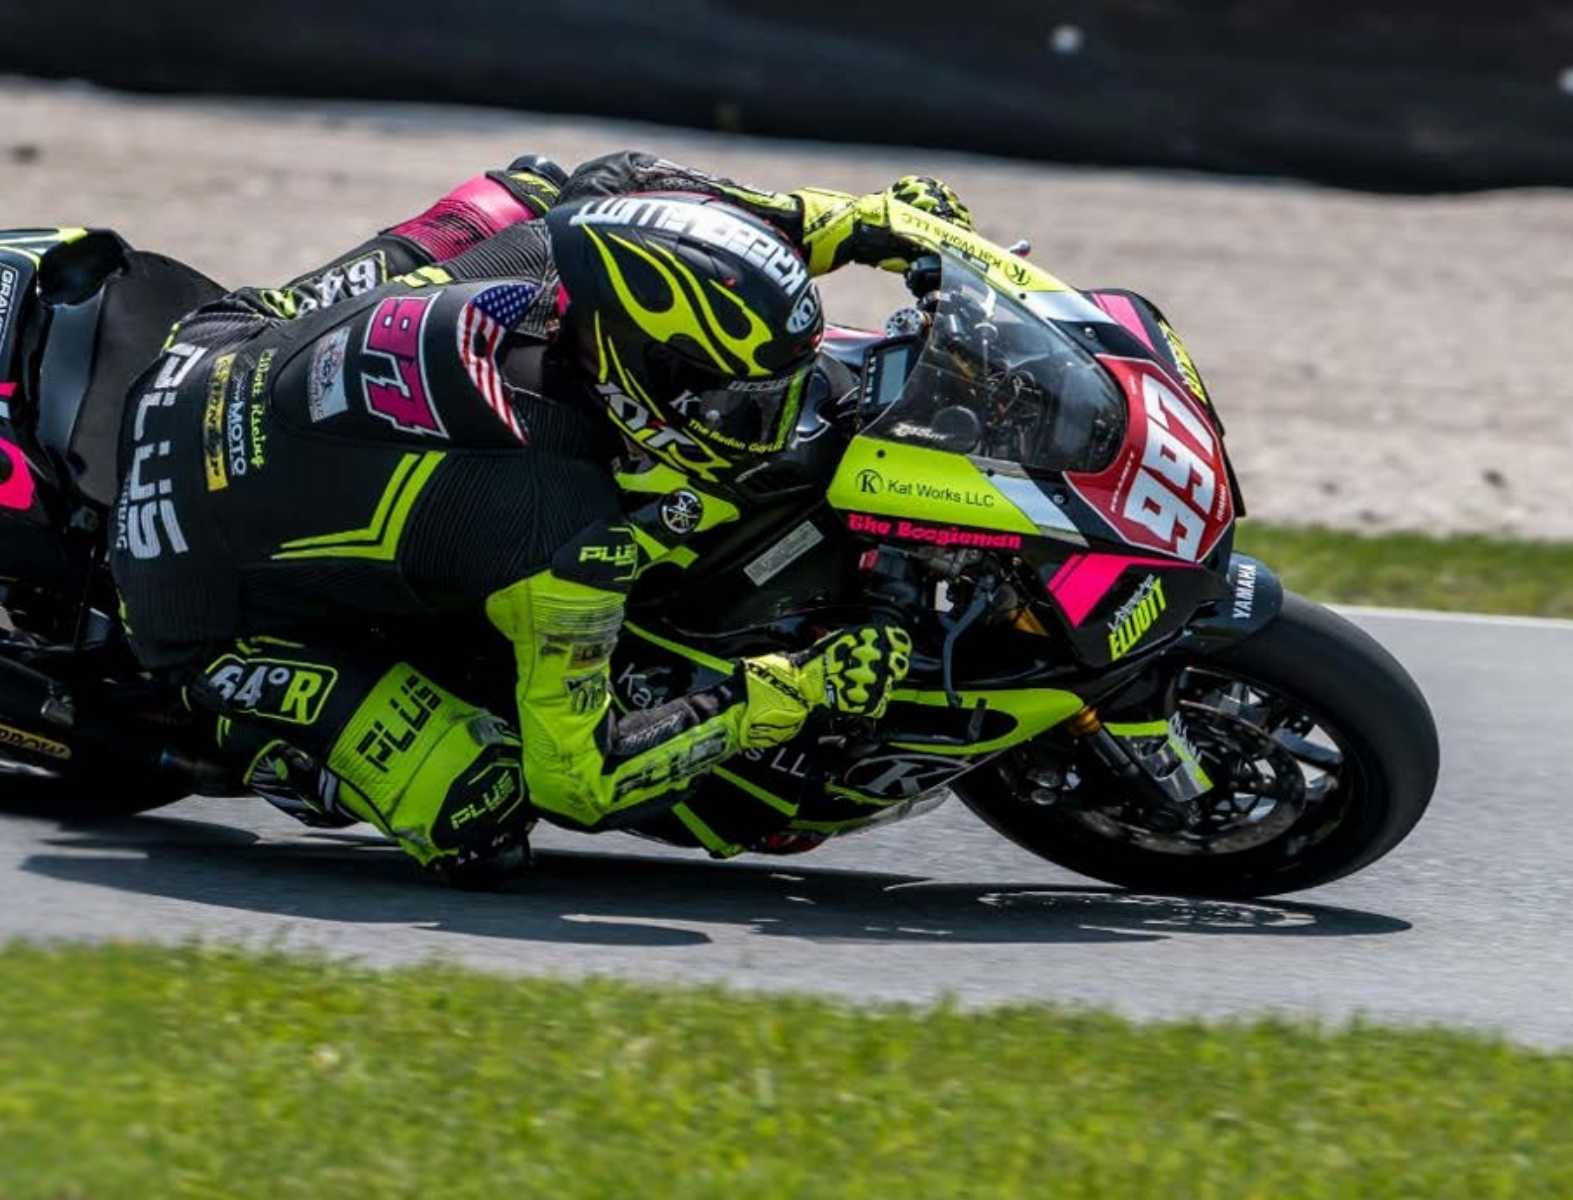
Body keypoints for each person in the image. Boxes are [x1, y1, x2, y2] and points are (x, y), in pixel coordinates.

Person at [110, 151, 977, 882]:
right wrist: (796, 689)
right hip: (190, 583)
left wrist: (864, 221)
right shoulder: (561, 522)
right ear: (646, 382)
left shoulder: (564, 251)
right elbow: (584, 779)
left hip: (217, 341)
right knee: (482, 806)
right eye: (744, 410)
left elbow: (637, 183)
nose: (776, 428)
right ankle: (248, 732)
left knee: (530, 188)